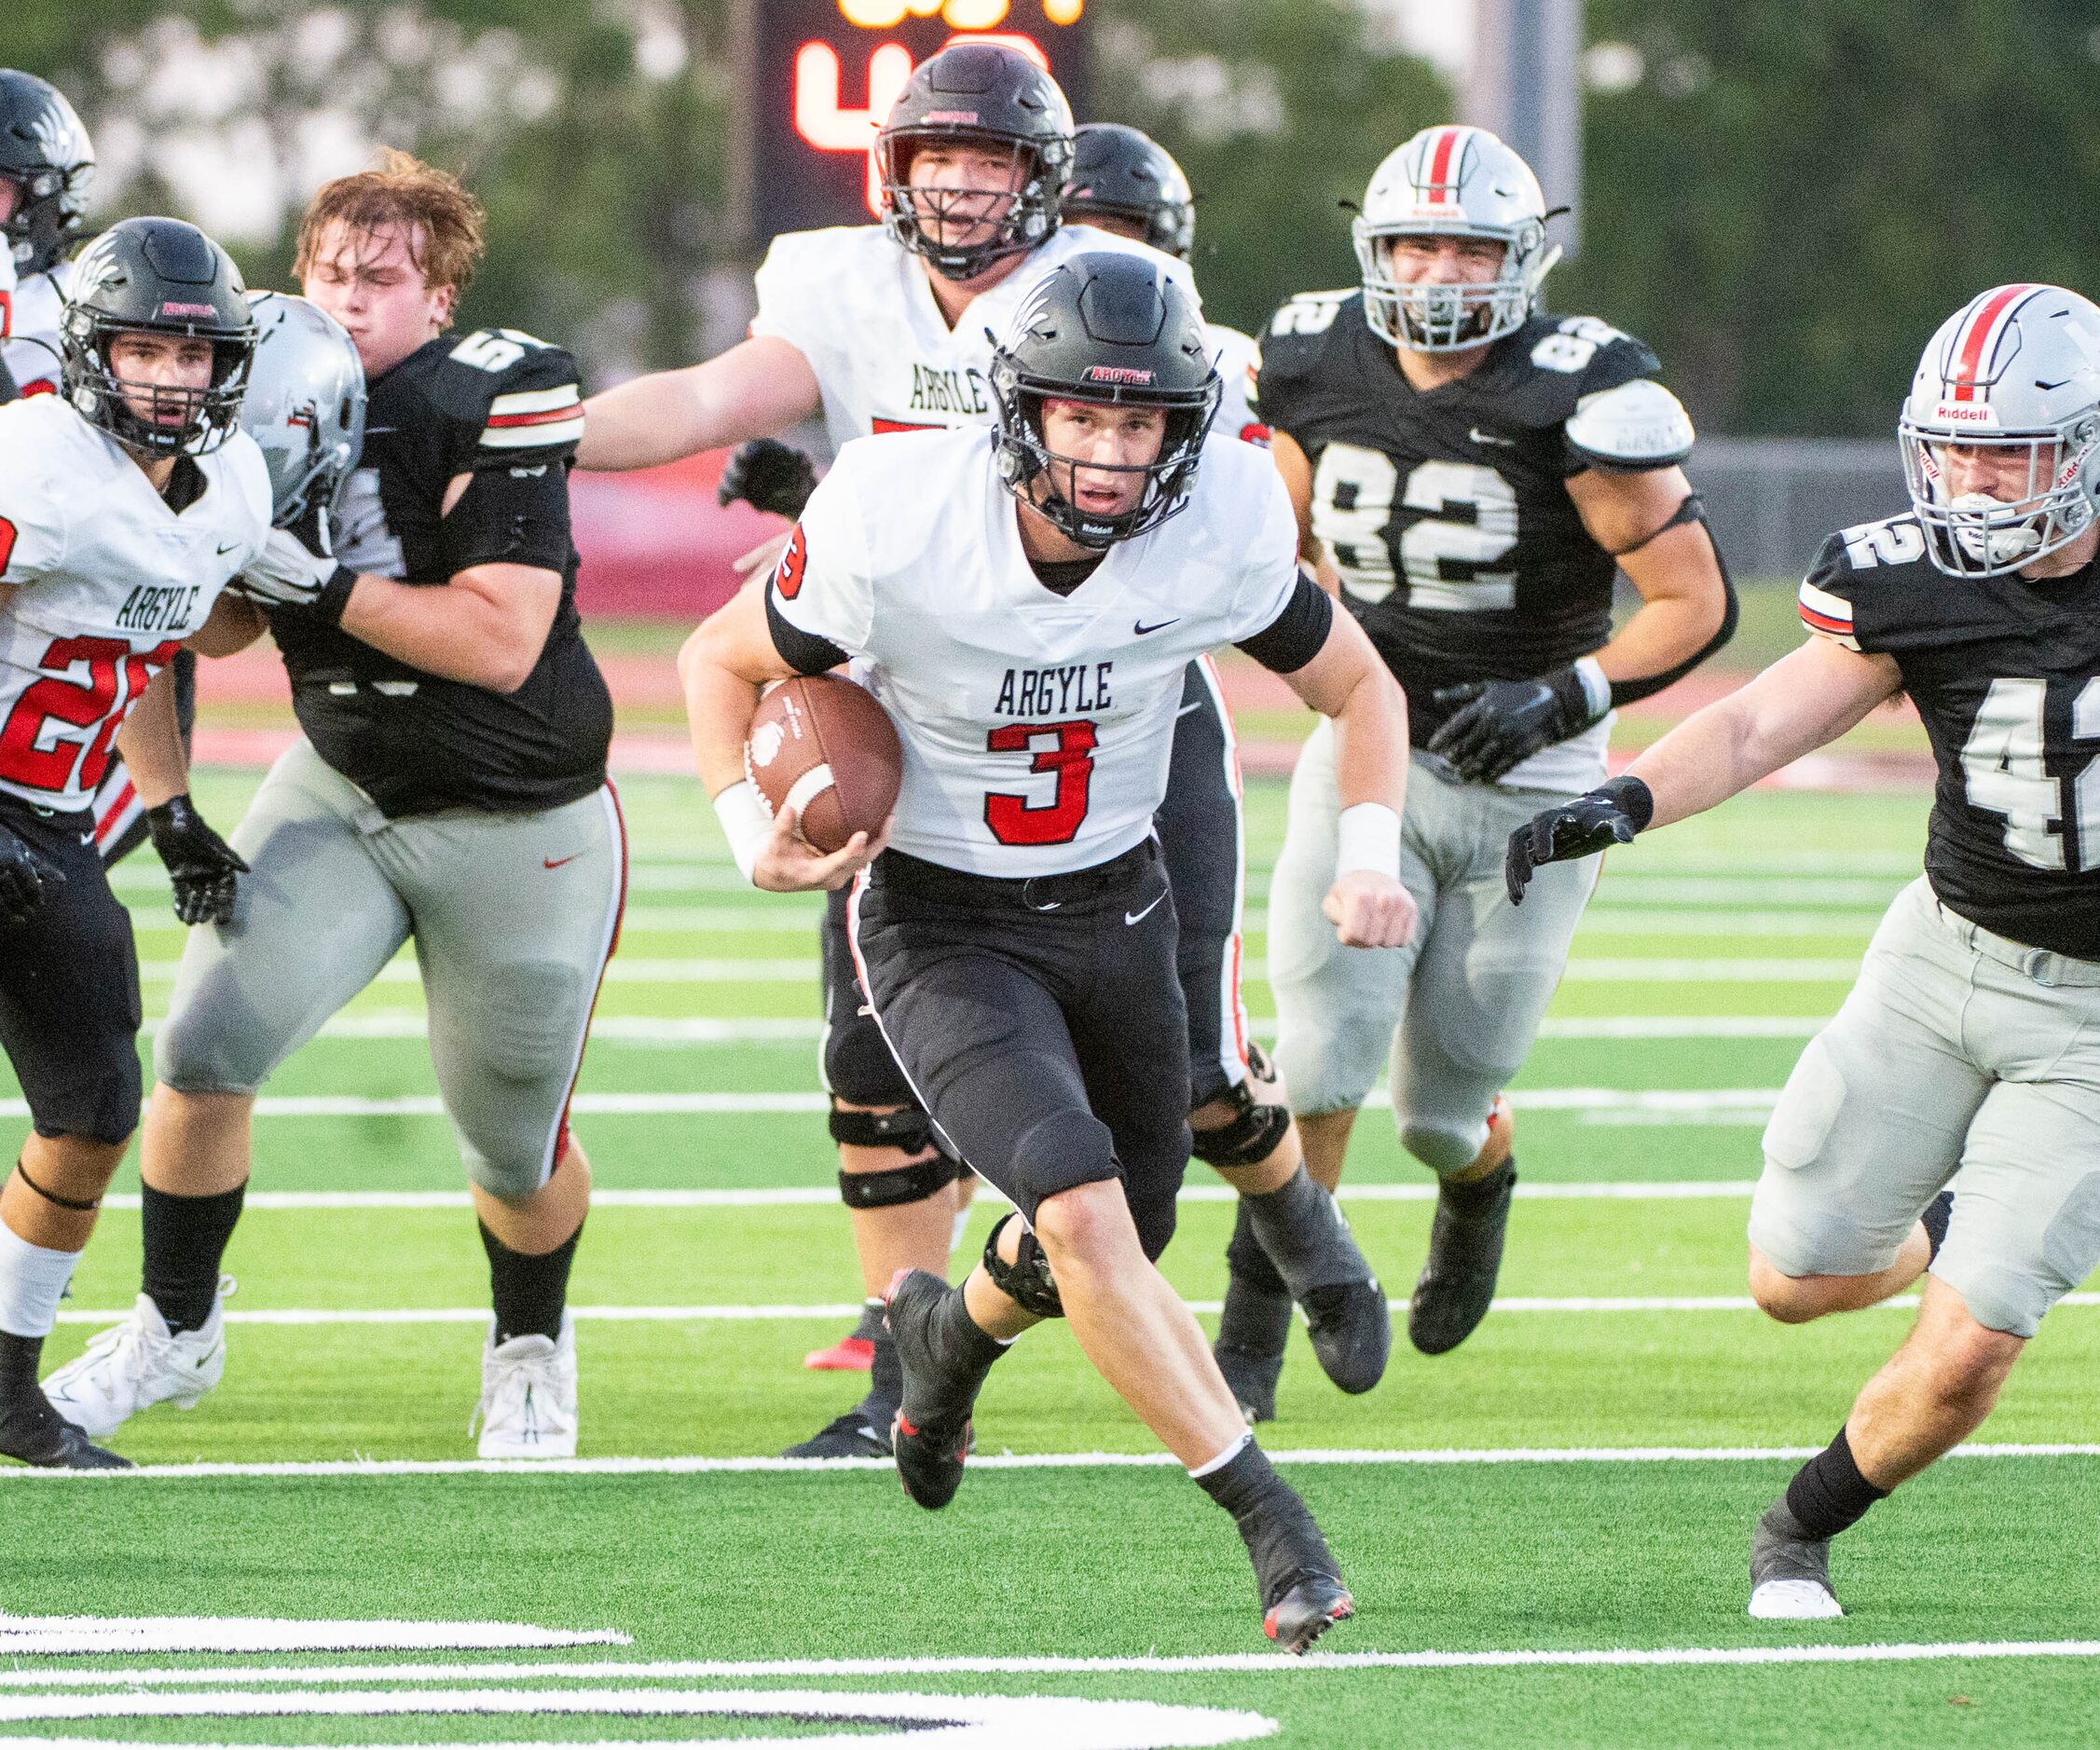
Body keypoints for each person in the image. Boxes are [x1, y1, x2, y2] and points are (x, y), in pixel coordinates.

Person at [583, 45, 1387, 1458]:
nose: (957, 185)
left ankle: (1300, 1232)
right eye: (933, 156)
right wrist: (530, 431)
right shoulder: (842, 289)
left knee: (1193, 1058)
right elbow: (708, 402)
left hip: (1109, 701)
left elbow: (1222, 500)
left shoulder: (1116, 291)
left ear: (1044, 177)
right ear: (890, 167)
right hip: (916, 707)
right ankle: (905, 1365)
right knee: (869, 1055)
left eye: (990, 159)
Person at [680, 252, 1415, 1651]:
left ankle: (943, 1345)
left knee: (1125, 1228)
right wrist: (743, 830)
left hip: (1114, 899)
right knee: (1079, 1213)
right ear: (1019, 410)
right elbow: (717, 661)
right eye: (1081, 416)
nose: (1110, 449)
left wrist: (1368, 859)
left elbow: (1356, 685)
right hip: (940, 916)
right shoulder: (898, 514)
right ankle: (1274, 1524)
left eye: (1141, 424)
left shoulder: (1218, 522)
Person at [1508, 281, 2100, 1620]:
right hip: (1941, 961)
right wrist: (1621, 800)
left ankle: (1799, 1523)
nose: (1974, 483)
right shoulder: (1911, 572)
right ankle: (1952, 1222)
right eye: (1952, 450)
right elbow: (1766, 721)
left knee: (1969, 1348)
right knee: (1793, 1280)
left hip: (2094, 1028)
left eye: (2009, 453)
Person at [44, 153, 621, 1461]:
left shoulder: (495, 391)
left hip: (516, 812)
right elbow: (176, 611)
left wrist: (305, 573)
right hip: (346, 779)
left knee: (512, 1141)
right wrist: (171, 798)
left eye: (382, 276)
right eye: (329, 271)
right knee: (200, 1052)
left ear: (441, 294)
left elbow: (498, 642)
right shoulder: (244, 387)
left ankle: (528, 1343)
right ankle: (173, 1330)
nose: (348, 298)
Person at [1243, 124, 1734, 1405]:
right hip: (1374, 744)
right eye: (1414, 240)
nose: (1440, 269)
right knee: (1319, 1052)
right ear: (1371, 246)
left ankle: (1479, 1176)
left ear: (1524, 256)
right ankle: (1260, 1319)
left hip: (1535, 769)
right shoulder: (1308, 361)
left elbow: (1691, 602)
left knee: (1438, 1106)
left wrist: (1562, 690)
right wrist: (1329, 671)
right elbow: (1274, 540)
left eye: (1468, 244)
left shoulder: (1577, 390)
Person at [0, 215, 268, 1467]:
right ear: (89, 349)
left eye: (191, 350)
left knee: (96, 1108)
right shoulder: (35, 462)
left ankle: (7, 1389)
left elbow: (145, 642)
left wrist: (164, 810)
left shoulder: (230, 495)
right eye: (141, 347)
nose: (168, 374)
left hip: (46, 821)